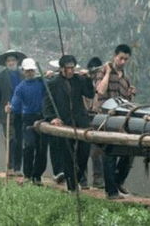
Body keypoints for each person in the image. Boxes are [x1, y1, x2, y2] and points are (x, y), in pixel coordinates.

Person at [43, 55, 94, 192]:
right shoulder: (54, 83)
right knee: (67, 154)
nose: (70, 71)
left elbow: (90, 94)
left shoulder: (80, 80)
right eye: (68, 68)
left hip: (81, 121)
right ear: (61, 69)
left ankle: (77, 177)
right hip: (64, 122)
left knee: (84, 153)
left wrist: (89, 79)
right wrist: (52, 118)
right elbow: (47, 104)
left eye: (72, 68)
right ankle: (72, 185)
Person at [96, 44, 136, 200]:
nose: (123, 61)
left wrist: (130, 93)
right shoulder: (103, 71)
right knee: (109, 153)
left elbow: (126, 102)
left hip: (122, 119)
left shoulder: (125, 78)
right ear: (114, 56)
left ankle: (118, 181)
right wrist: (107, 73)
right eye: (121, 58)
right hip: (106, 118)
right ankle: (111, 191)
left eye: (126, 59)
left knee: (129, 151)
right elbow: (100, 90)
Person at [9, 58, 47, 185]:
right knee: (29, 145)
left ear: (35, 71)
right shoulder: (20, 88)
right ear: (24, 72)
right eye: (27, 71)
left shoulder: (42, 83)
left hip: (42, 118)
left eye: (32, 70)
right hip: (28, 118)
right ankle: (28, 174)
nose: (30, 73)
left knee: (42, 148)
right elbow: (15, 104)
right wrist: (10, 108)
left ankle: (37, 176)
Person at [0, 49, 26, 176]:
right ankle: (10, 166)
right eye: (9, 61)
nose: (11, 62)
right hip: (6, 113)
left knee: (20, 140)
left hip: (21, 113)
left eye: (13, 60)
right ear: (5, 63)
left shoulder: (23, 75)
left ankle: (18, 168)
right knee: (11, 139)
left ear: (17, 61)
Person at [84, 57, 104, 189]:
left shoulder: (103, 83)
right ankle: (82, 179)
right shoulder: (84, 81)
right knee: (82, 151)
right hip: (85, 118)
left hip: (98, 119)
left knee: (96, 152)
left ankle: (98, 179)